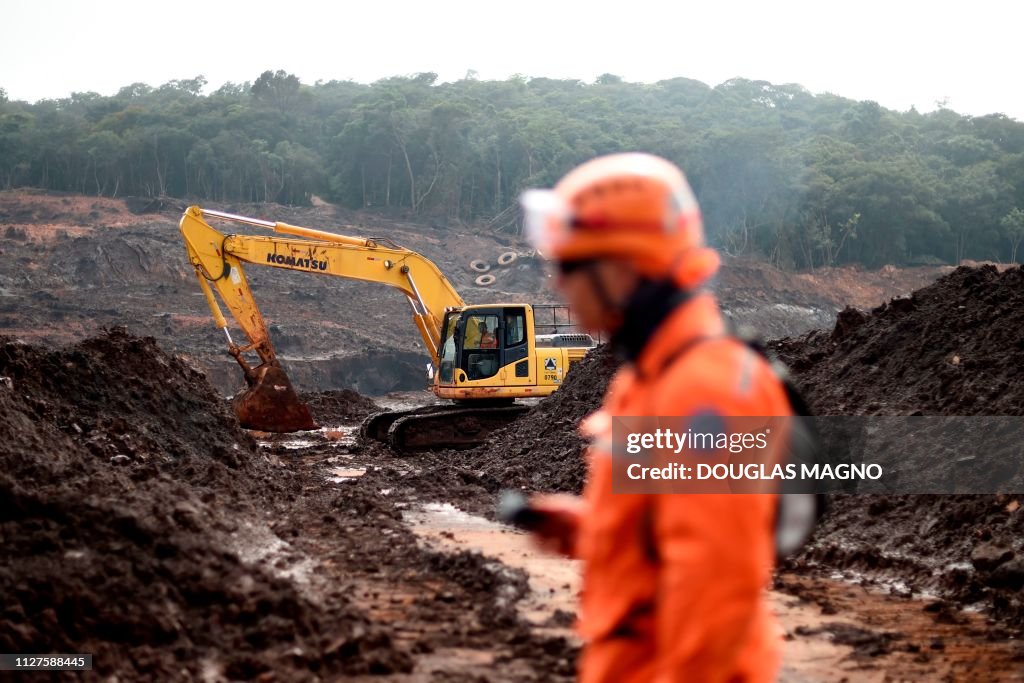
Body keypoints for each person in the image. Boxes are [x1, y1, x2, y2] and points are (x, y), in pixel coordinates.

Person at [519, 153, 792, 683]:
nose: (557, 285)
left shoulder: (703, 391)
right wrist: (592, 529)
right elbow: (664, 534)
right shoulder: (647, 378)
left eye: (570, 266)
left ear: (623, 268)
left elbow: (716, 586)